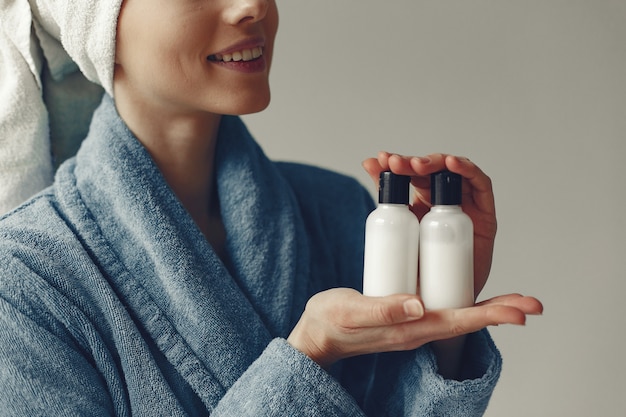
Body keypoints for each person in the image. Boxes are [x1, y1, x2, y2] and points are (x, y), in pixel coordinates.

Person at [0, 0, 542, 415]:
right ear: (97, 24)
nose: (253, 6)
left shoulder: (338, 209)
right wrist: (308, 357)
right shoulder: (22, 279)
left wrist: (440, 328)